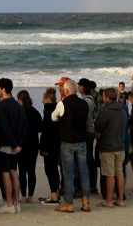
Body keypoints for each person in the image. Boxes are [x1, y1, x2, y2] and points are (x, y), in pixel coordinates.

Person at [51, 79, 90, 213]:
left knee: (68, 173)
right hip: (82, 141)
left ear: (66, 91)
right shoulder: (84, 104)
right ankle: (86, 202)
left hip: (67, 142)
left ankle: (69, 203)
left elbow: (53, 117)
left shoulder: (62, 104)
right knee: (84, 171)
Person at [0, 78, 25, 214]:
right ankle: (16, 203)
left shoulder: (1, 105)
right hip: (15, 144)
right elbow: (24, 125)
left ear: (3, 89)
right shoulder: (18, 104)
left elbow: (4, 127)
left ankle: (9, 203)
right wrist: (19, 144)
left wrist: (15, 143)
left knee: (5, 173)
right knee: (14, 172)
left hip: (5, 143)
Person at [93, 87, 127, 209]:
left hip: (108, 146)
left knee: (109, 174)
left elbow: (98, 132)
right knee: (119, 173)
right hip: (120, 145)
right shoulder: (122, 110)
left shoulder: (105, 111)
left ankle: (108, 200)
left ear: (106, 97)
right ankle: (121, 199)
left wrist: (98, 137)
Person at [14, 90, 41, 204]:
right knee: (31, 170)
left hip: (22, 144)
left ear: (20, 99)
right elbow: (40, 127)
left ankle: (23, 196)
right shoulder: (35, 112)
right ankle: (30, 196)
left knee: (22, 170)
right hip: (33, 144)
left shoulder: (19, 113)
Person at [37, 88, 60, 205]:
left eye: (43, 98)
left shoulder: (49, 112)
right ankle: (56, 194)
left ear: (48, 99)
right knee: (54, 169)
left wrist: (44, 148)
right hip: (56, 145)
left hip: (50, 146)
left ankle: (54, 197)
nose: (41, 100)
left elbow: (47, 131)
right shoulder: (56, 109)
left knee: (50, 169)